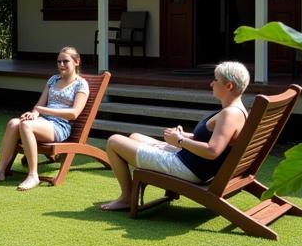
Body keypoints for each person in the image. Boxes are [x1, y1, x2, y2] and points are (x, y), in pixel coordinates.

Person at [100, 60, 250, 212]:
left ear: (229, 85)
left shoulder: (229, 114)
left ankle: (126, 197)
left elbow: (212, 151)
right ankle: (132, 190)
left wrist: (179, 140)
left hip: (187, 168)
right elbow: (214, 140)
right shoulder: (238, 110)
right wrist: (183, 135)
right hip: (192, 162)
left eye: (215, 80)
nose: (211, 83)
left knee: (114, 141)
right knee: (135, 137)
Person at [0, 46, 90, 191]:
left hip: (60, 127)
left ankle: (33, 175)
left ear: (76, 62)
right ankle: (0, 171)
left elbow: (74, 113)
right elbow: (38, 105)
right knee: (13, 123)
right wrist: (33, 114)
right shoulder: (53, 80)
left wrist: (40, 111)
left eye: (65, 61)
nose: (61, 65)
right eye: (59, 62)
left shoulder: (81, 84)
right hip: (43, 122)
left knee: (26, 126)